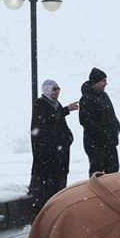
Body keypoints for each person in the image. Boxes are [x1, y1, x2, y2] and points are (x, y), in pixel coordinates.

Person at [30, 79, 78, 211]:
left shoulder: (56, 105)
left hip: (59, 156)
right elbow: (48, 121)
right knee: (46, 192)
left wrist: (68, 138)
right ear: (46, 90)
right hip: (47, 158)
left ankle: (57, 213)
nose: (57, 92)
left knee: (59, 188)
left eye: (58, 89)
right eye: (54, 89)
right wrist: (67, 109)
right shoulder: (41, 104)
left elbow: (59, 125)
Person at [79, 67, 120, 176]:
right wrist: (104, 132)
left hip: (110, 142)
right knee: (97, 172)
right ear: (95, 82)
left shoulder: (104, 96)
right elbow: (86, 121)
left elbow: (110, 114)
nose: (105, 83)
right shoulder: (86, 98)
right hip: (95, 143)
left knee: (113, 170)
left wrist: (116, 126)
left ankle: (111, 192)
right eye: (103, 81)